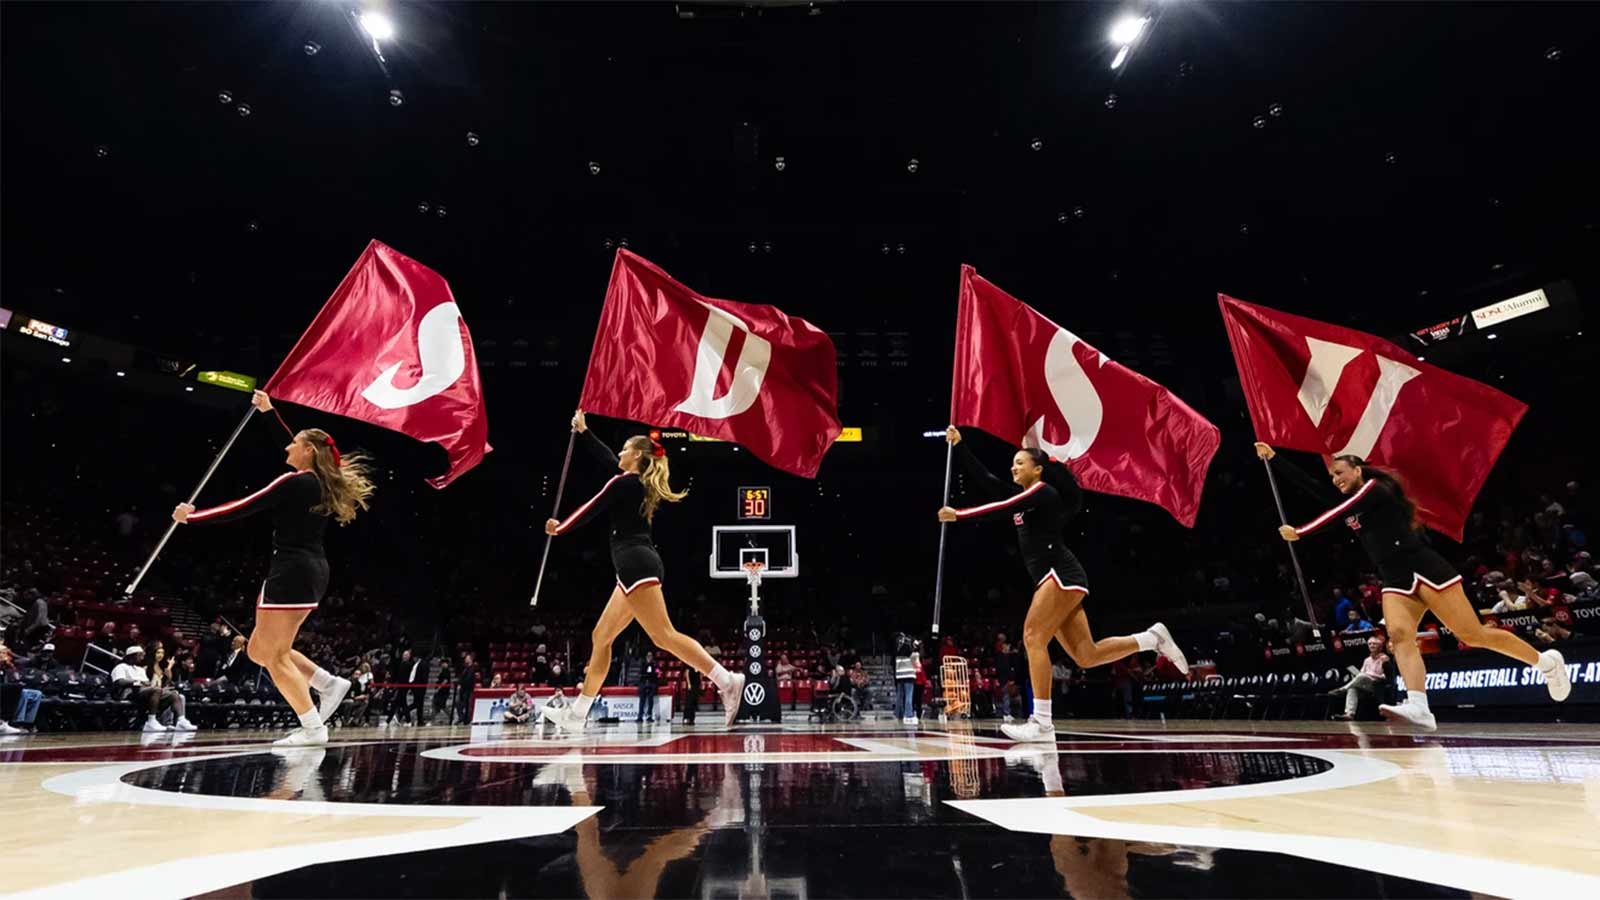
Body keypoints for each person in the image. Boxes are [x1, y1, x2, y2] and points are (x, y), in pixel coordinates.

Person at [1264, 443, 1569, 729]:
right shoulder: (1351, 501)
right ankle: (1420, 705)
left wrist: (1302, 532)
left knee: (1473, 634)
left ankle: (1546, 663)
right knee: (1398, 636)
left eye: (1339, 473)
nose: (1335, 479)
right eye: (1332, 476)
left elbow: (1336, 512)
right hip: (1394, 578)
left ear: (1357, 470)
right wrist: (1274, 459)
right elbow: (1314, 489)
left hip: (1425, 568)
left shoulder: (1375, 489)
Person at [938, 426, 1188, 742]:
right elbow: (989, 484)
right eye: (1013, 463)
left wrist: (959, 515)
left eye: (1020, 462)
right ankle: (1151, 639)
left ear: (1038, 469)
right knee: (1087, 655)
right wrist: (960, 447)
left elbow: (1000, 508)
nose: (1013, 467)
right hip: (1056, 578)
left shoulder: (1042, 492)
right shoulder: (1024, 496)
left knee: (1032, 637)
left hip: (1061, 575)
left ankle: (1042, 722)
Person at [172, 390, 370, 746]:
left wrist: (192, 518)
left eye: (294, 444)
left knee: (274, 655)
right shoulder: (320, 482)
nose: (286, 448)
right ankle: (328, 683)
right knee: (259, 651)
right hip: (310, 571)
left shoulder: (295, 482)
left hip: (292, 571)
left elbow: (245, 506)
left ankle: (312, 727)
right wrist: (268, 412)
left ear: (308, 451)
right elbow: (295, 447)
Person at [541, 410, 744, 733]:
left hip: (637, 564)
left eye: (624, 448)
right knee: (601, 637)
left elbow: (591, 507)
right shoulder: (633, 482)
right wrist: (585, 432)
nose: (619, 452)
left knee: (663, 635)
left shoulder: (624, 484)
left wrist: (559, 528)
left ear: (636, 455)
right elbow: (610, 461)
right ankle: (578, 716)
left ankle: (726, 679)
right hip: (632, 566)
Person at [111, 645, 196, 733]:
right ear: (132, 655)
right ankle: (151, 721)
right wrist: (135, 681)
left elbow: (146, 683)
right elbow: (119, 682)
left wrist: (148, 684)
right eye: (140, 655)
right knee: (156, 690)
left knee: (174, 694)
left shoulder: (140, 669)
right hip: (129, 692)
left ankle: (181, 721)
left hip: (144, 692)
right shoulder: (120, 667)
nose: (142, 657)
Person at [1330, 636, 1392, 721]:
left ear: (1380, 646)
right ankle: (1349, 714)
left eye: (1374, 644)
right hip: (1365, 685)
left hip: (1376, 685)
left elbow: (1385, 677)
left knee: (1362, 676)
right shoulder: (1367, 660)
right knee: (1353, 688)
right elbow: (1361, 673)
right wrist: (1358, 676)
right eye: (1370, 644)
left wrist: (1369, 675)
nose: (1372, 646)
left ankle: (1342, 689)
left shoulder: (1384, 658)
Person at [637, 649, 659, 724]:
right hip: (643, 683)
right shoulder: (642, 663)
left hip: (652, 683)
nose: (649, 657)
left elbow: (657, 672)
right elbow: (640, 673)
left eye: (651, 656)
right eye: (648, 656)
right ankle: (640, 716)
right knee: (642, 700)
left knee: (650, 700)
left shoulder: (655, 664)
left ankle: (649, 716)